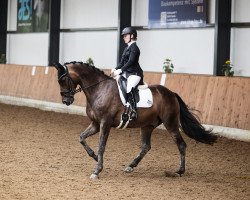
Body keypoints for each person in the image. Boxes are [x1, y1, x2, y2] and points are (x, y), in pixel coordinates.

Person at [113, 27, 143, 119]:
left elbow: (130, 62)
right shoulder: (126, 48)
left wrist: (121, 70)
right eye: (124, 36)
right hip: (126, 73)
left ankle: (134, 111)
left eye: (125, 36)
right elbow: (122, 62)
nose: (124, 37)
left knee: (129, 87)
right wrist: (115, 69)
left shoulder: (135, 48)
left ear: (132, 36)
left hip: (135, 74)